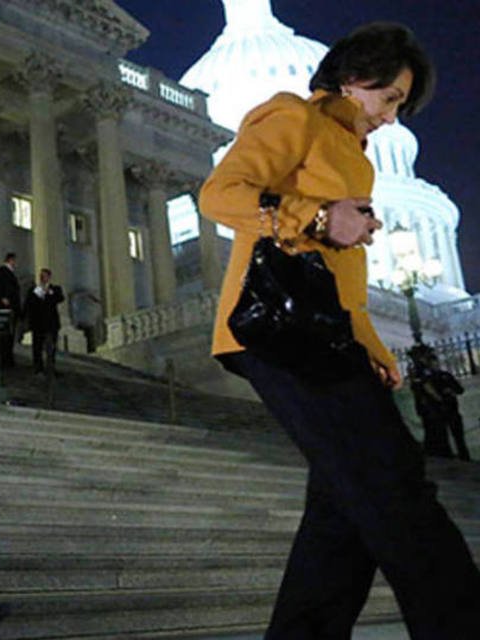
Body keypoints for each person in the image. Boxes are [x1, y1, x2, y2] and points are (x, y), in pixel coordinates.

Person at [198, 23, 480, 638]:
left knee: (340, 512)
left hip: (327, 335)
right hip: (278, 332)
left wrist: (374, 347)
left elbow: (341, 275)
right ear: (354, 79)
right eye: (390, 99)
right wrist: (320, 214)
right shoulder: (292, 117)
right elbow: (221, 194)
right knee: (394, 482)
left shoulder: (353, 155)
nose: (390, 116)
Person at [23, 268, 64, 375]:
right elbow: (28, 304)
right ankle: (38, 368)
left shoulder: (55, 289)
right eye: (41, 276)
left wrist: (48, 292)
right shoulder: (34, 290)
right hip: (37, 323)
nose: (42, 278)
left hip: (51, 323)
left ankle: (51, 367)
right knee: (37, 347)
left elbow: (60, 298)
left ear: (49, 277)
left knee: (51, 347)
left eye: (44, 276)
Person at [0, 252, 21, 367]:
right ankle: (5, 359)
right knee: (5, 335)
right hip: (6, 306)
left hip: (11, 307)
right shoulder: (2, 271)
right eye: (14, 261)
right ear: (10, 260)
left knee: (9, 334)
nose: (15, 263)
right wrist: (2, 297)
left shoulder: (9, 273)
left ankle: (8, 357)